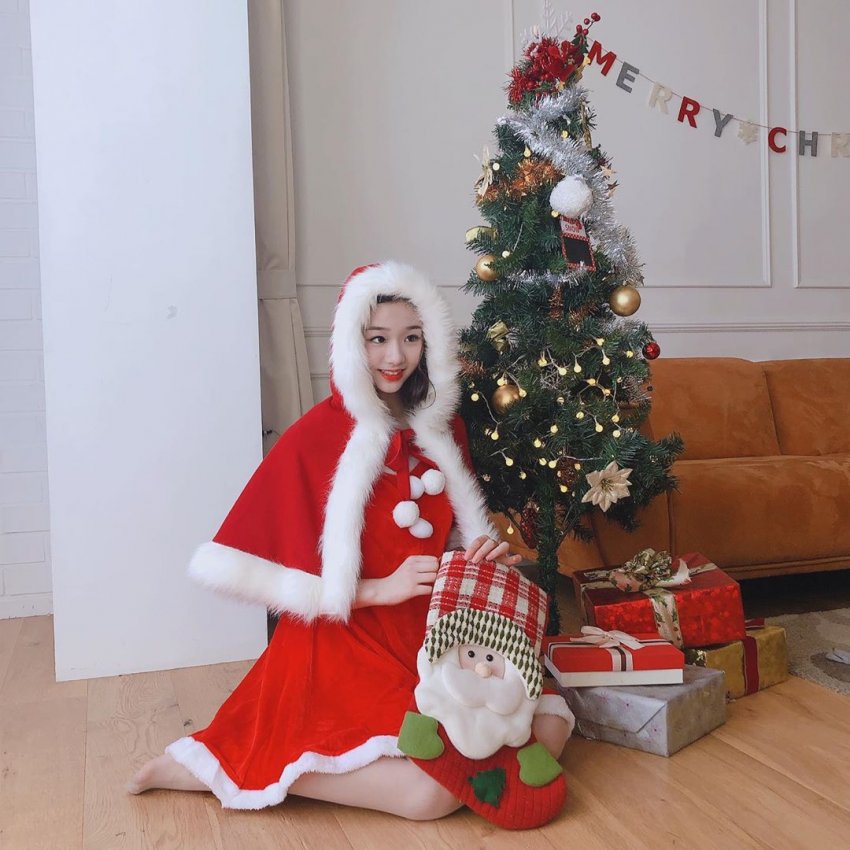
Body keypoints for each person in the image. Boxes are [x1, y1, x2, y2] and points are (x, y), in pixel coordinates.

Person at [127, 262, 571, 820]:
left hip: (429, 629)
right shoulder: (315, 437)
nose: (395, 356)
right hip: (343, 639)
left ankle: (465, 771)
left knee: (550, 724)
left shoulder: (442, 429)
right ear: (350, 343)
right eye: (377, 339)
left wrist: (476, 556)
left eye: (412, 338)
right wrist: (383, 588)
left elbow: (449, 535)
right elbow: (284, 578)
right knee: (429, 797)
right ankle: (234, 765)